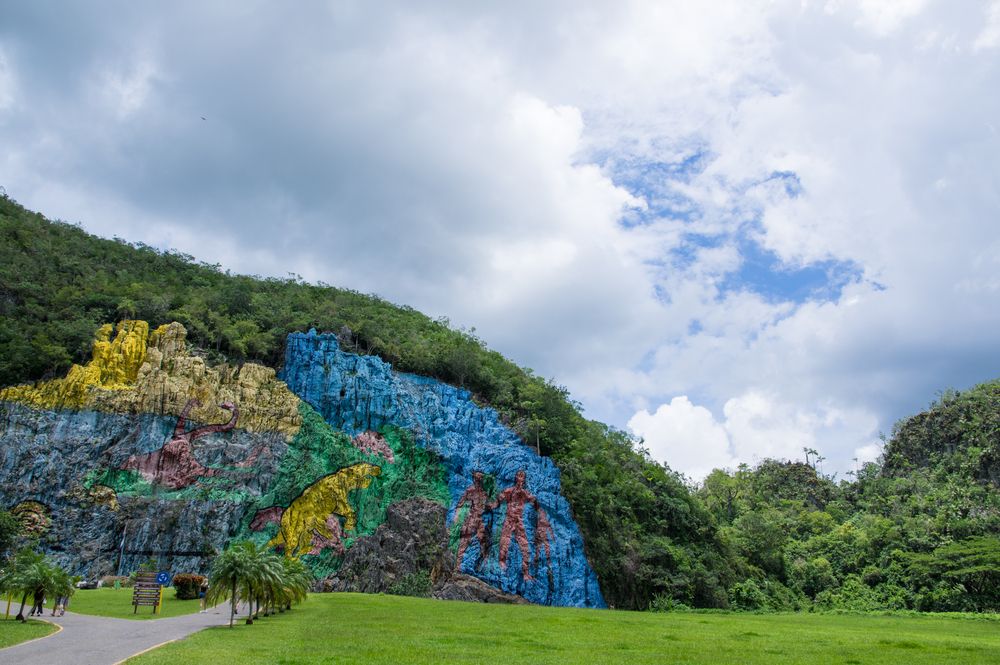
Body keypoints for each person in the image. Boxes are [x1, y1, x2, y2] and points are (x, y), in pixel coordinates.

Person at [490, 470, 540, 581]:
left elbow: (536, 504)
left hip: (519, 522)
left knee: (525, 549)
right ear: (515, 477)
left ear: (524, 479)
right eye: (518, 474)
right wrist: (489, 506)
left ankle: (526, 574)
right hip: (509, 520)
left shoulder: (525, 494)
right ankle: (501, 568)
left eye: (523, 475)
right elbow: (497, 502)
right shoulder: (508, 491)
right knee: (504, 545)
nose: (520, 476)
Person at [453, 471, 493, 572]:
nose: (478, 480)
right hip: (470, 518)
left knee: (483, 540)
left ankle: (486, 563)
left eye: (480, 479)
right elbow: (460, 503)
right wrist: (456, 516)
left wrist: (485, 507)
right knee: (464, 540)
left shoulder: (483, 493)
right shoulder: (469, 490)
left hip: (478, 518)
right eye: (476, 478)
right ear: (473, 479)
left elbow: (489, 506)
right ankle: (458, 565)